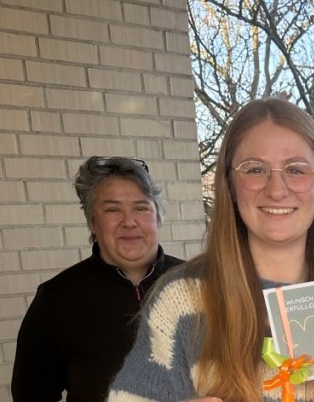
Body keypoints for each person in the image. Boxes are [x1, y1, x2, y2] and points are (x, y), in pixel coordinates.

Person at [108, 98, 314, 401]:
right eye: (255, 169)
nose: (277, 189)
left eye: (295, 170)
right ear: (230, 186)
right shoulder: (182, 300)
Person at [11, 156, 184, 402]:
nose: (129, 222)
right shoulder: (57, 299)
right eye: (112, 209)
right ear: (92, 222)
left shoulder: (201, 285)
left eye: (141, 207)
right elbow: (31, 395)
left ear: (158, 216)